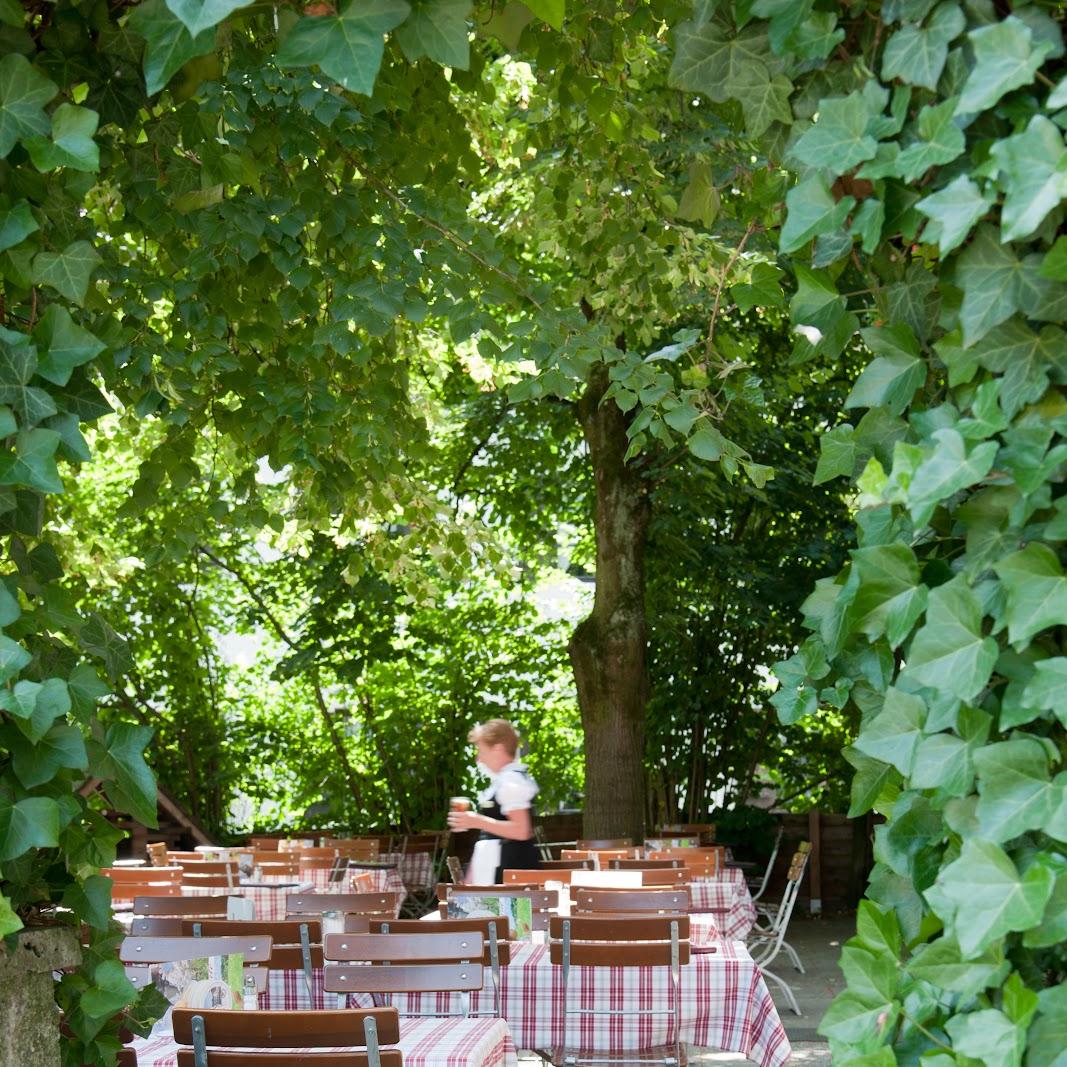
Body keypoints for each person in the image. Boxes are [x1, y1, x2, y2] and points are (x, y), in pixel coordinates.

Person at [447, 719, 541, 883]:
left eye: (481, 751)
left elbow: (521, 831)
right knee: (468, 908)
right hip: (501, 872)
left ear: (498, 749)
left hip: (512, 875)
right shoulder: (505, 779)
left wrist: (478, 821)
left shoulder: (512, 781)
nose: (479, 759)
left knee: (504, 910)